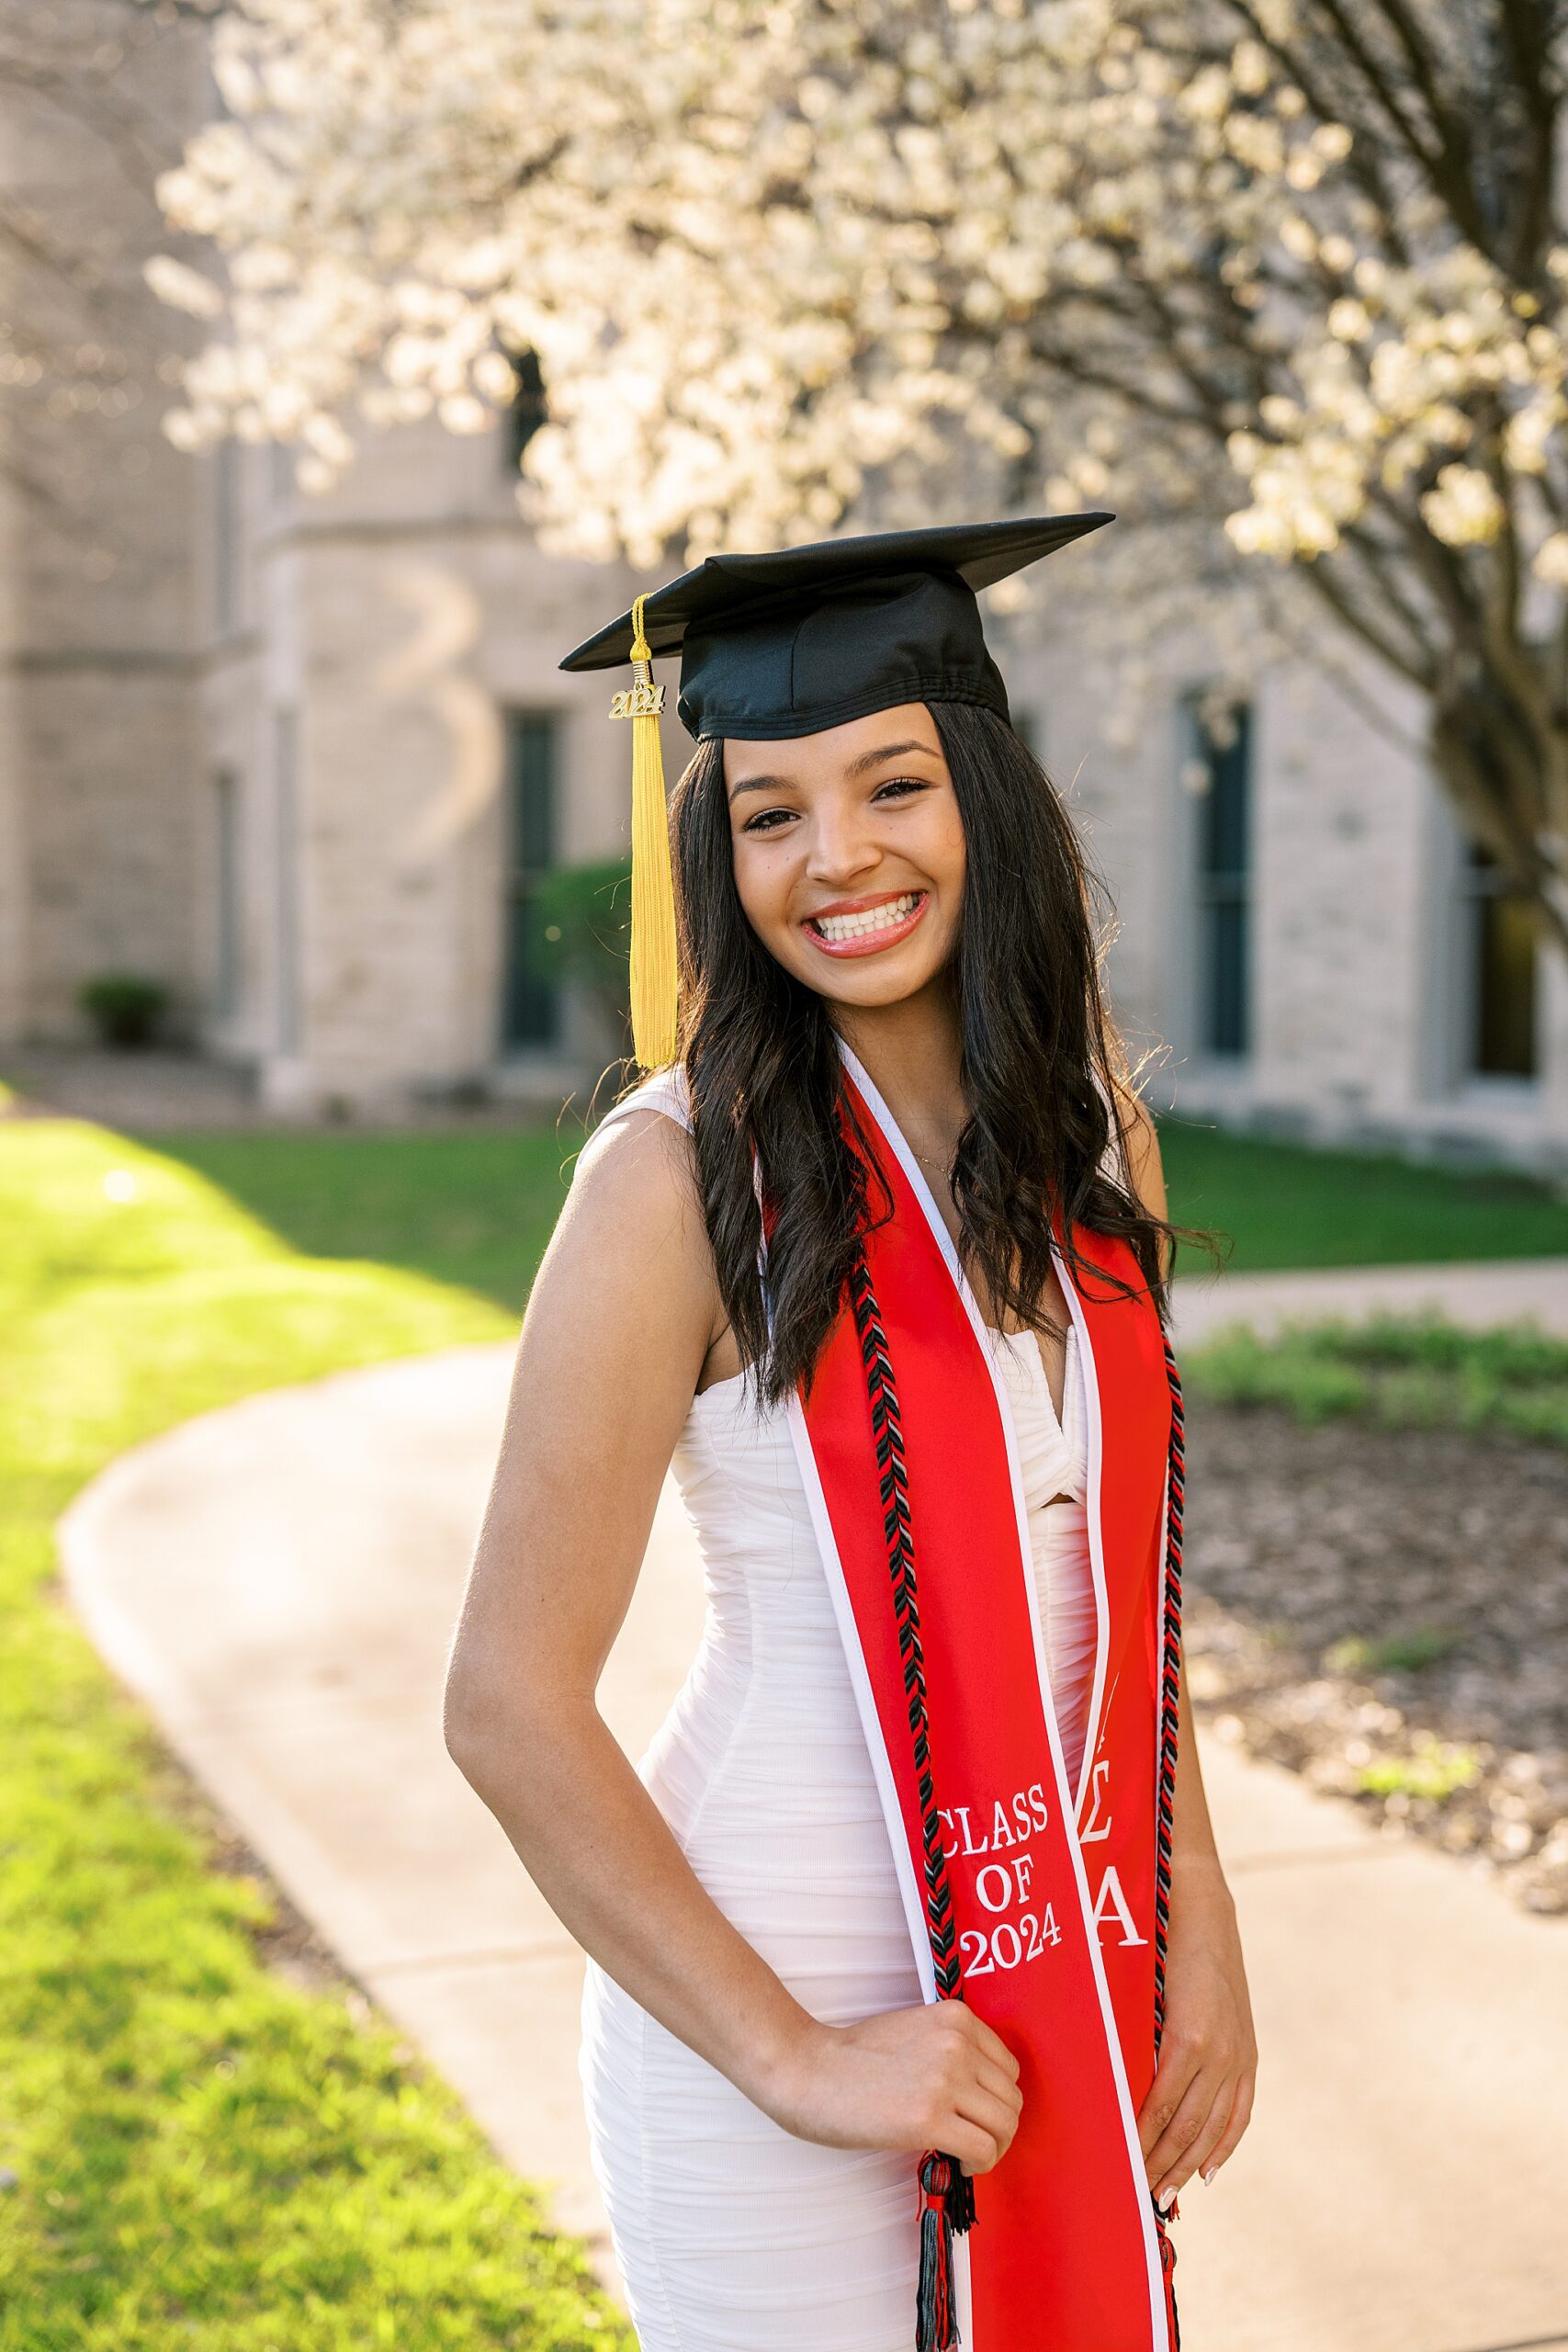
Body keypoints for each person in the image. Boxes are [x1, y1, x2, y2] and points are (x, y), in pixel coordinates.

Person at [443, 517, 1258, 2352]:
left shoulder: (1089, 1136)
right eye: (767, 814)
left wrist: (1192, 1906)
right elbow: (503, 1697)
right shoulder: (671, 1177)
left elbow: (1118, 1582)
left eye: (889, 783)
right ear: (717, 859)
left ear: (981, 793)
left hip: (1069, 1930)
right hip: (778, 1985)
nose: (837, 857)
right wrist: (791, 2054)